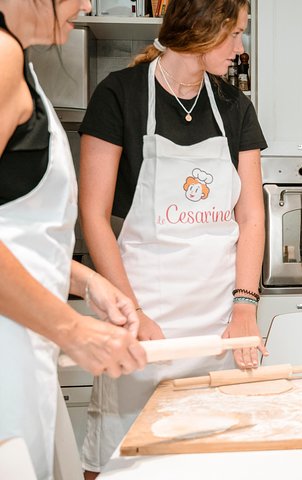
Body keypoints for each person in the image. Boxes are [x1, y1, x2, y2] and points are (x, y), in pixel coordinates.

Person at [78, 0, 267, 475]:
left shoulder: (234, 106)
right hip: (145, 326)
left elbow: (250, 216)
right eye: (236, 34)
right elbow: (93, 214)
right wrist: (133, 312)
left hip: (220, 328)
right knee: (123, 462)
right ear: (204, 30)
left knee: (215, 461)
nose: (240, 48)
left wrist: (245, 305)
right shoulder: (119, 95)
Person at [0, 1, 147, 479]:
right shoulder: (2, 60)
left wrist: (88, 283)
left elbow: (18, 231)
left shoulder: (20, 63)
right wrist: (73, 329)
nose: (87, 4)